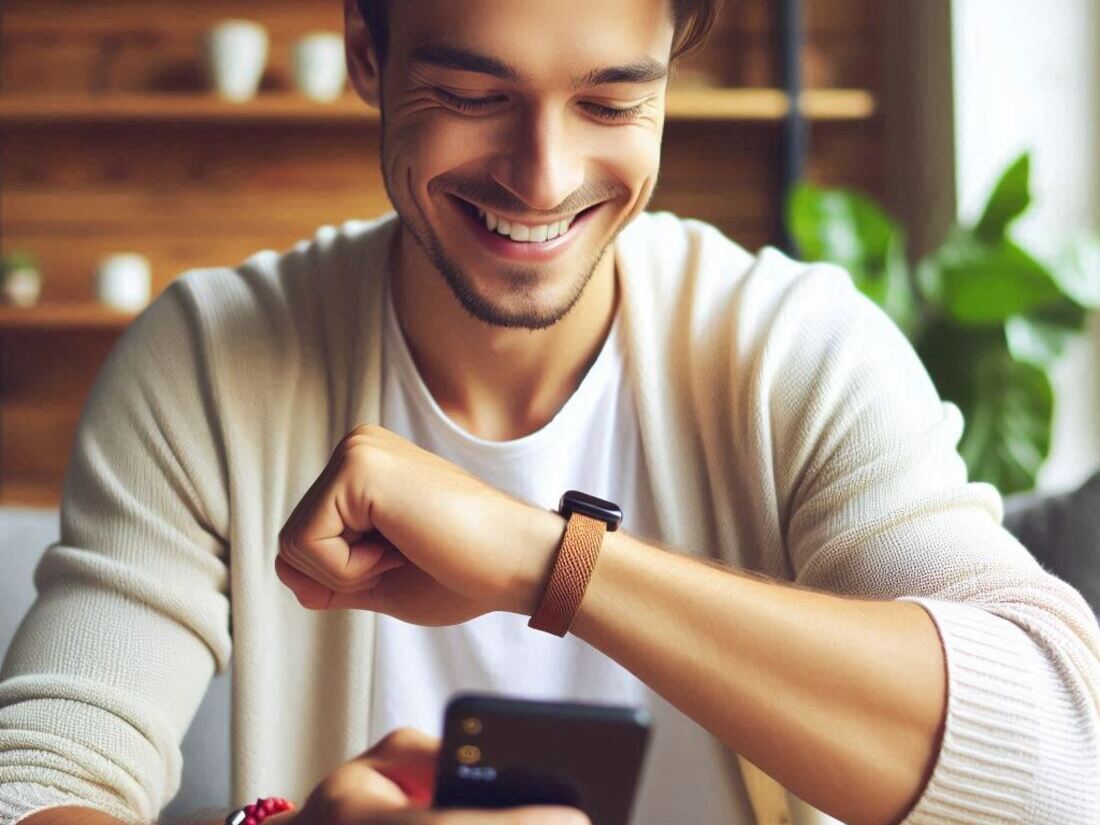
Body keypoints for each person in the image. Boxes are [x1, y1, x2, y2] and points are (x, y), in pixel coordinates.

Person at [2, 1, 1099, 824]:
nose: (542, 176)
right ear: (366, 52)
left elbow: (1060, 767)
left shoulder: (790, 348)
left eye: (612, 101)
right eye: (473, 95)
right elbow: (43, 780)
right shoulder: (207, 364)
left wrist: (548, 564)